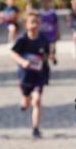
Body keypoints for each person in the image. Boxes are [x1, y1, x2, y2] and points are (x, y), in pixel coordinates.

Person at [10, 10, 51, 139]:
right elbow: (13, 53)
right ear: (26, 25)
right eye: (32, 22)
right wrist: (22, 61)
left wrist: (48, 57)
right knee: (26, 102)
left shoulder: (44, 39)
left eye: (38, 22)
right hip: (25, 76)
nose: (35, 25)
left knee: (37, 100)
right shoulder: (23, 39)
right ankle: (25, 101)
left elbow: (46, 54)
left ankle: (35, 129)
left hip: (39, 75)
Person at [39, 0, 60, 65]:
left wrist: (58, 32)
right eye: (43, 1)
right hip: (42, 34)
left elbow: (56, 23)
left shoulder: (53, 13)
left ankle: (53, 56)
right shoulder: (39, 13)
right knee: (44, 49)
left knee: (53, 46)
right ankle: (46, 60)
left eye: (47, 1)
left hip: (51, 34)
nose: (45, 3)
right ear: (41, 2)